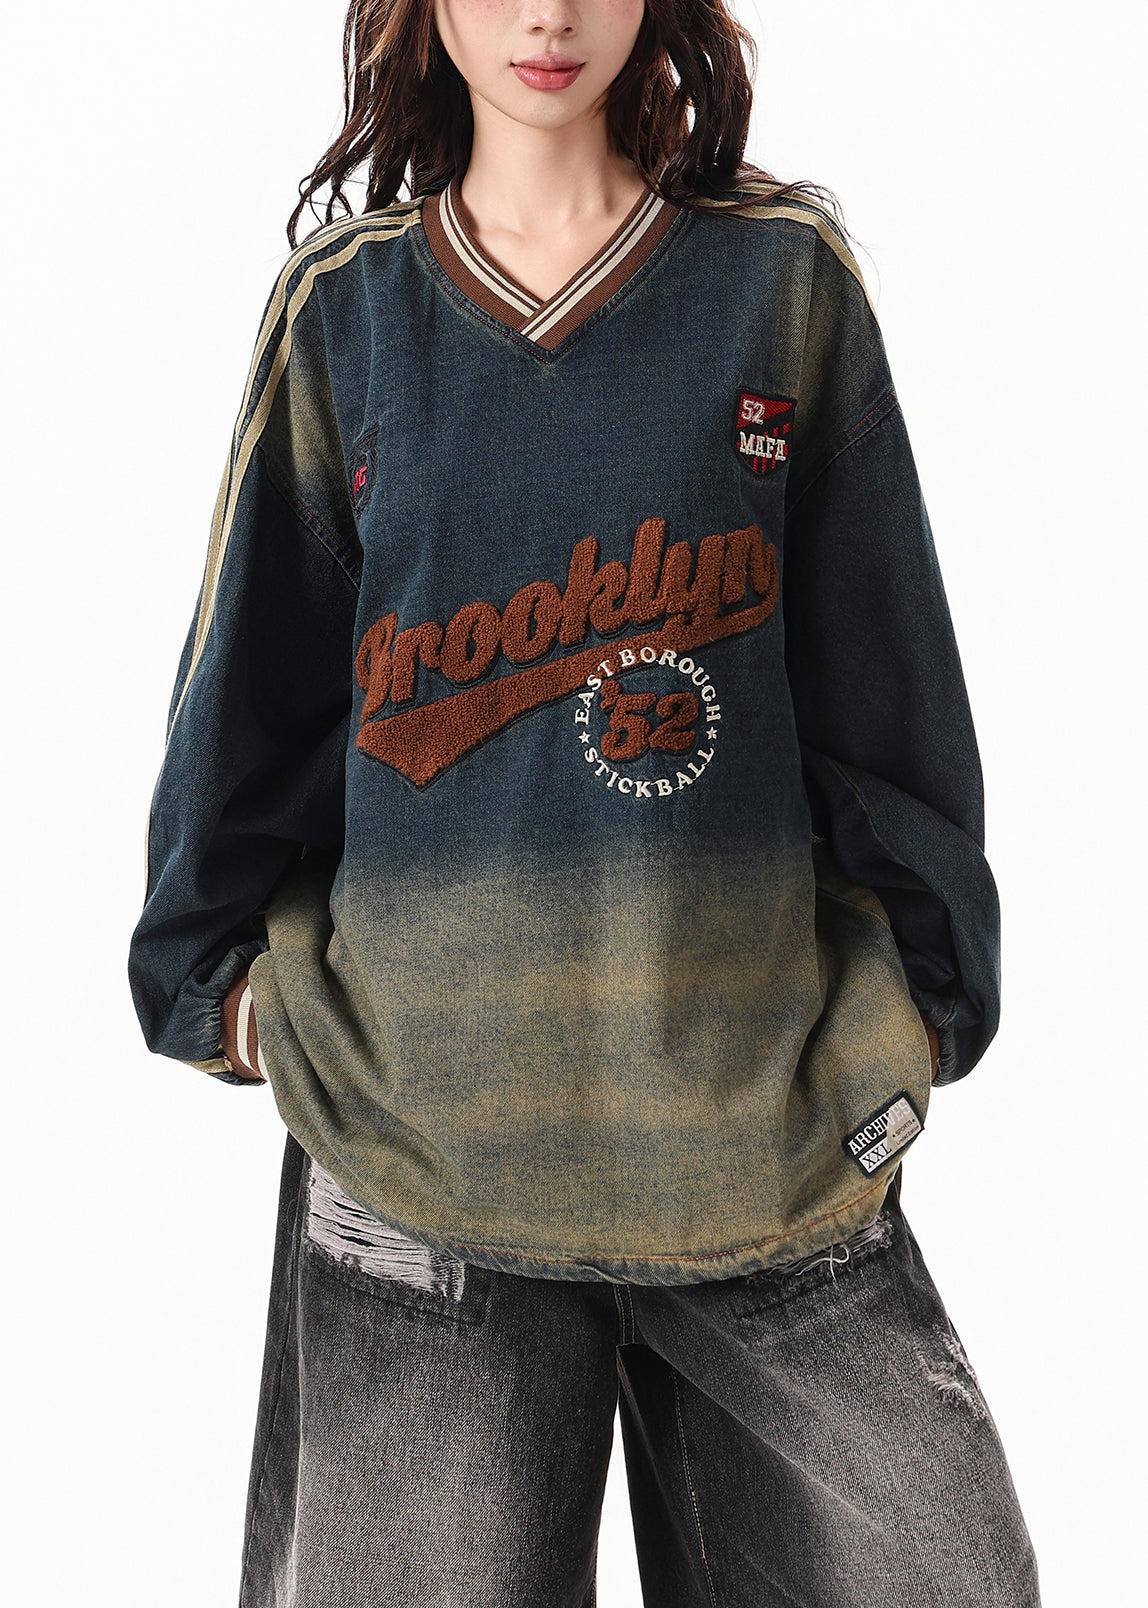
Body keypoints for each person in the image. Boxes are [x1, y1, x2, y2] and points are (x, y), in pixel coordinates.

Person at [127, 0, 1042, 1601]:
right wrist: (227, 993)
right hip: (424, 1163)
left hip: (758, 1141)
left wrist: (919, 1003)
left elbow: (887, 685)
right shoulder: (348, 313)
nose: (547, 13)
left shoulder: (780, 286)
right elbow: (251, 700)